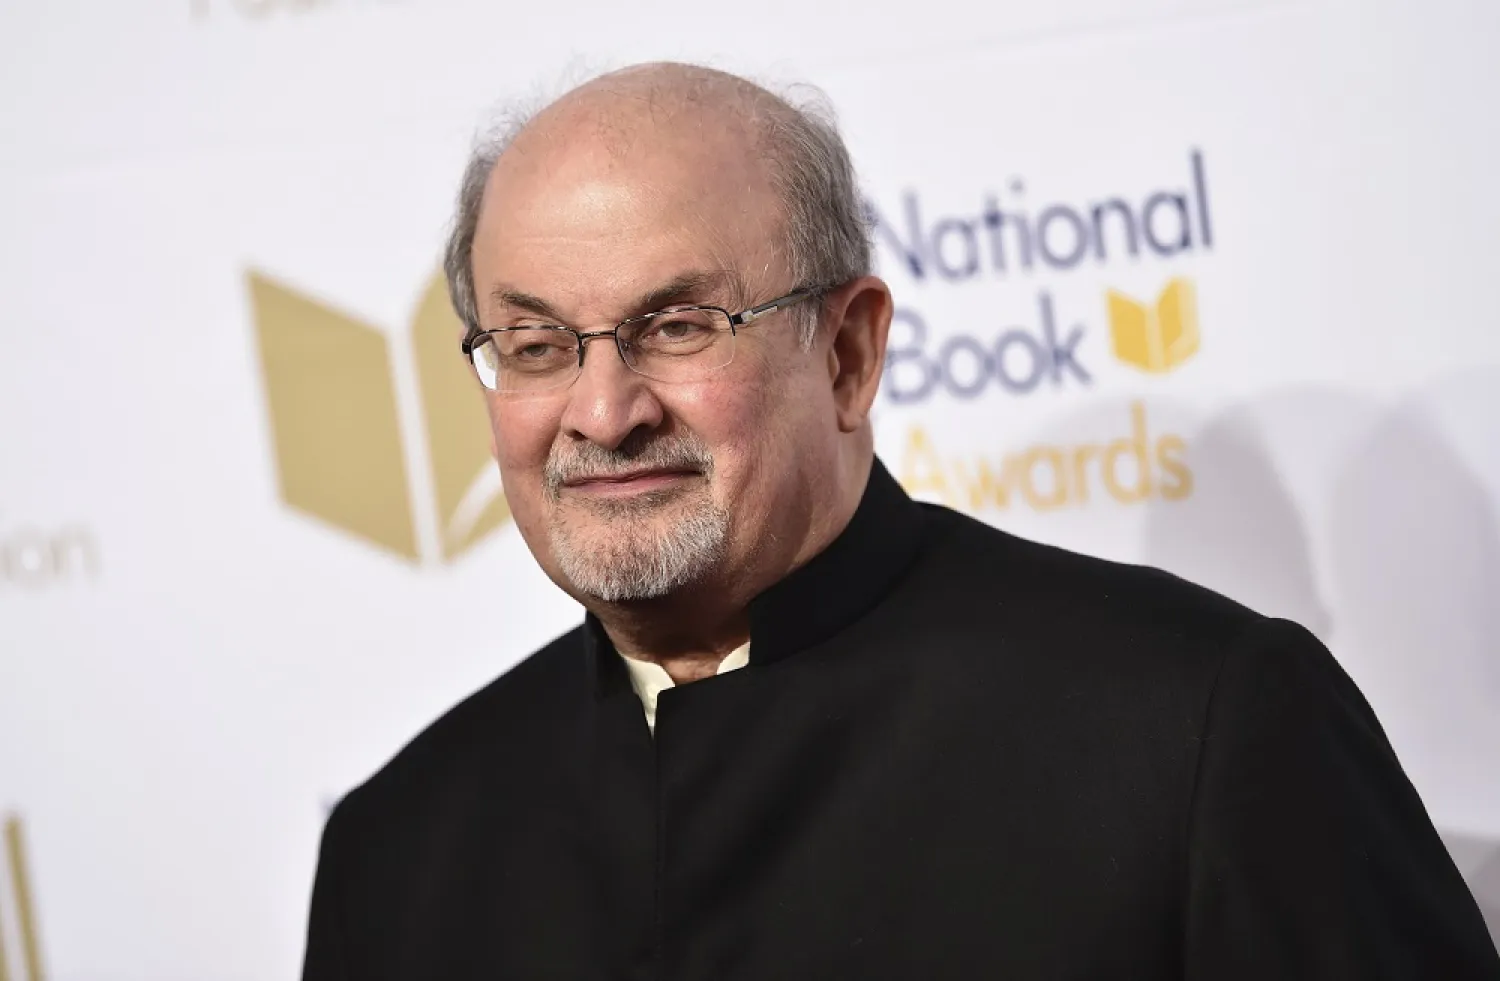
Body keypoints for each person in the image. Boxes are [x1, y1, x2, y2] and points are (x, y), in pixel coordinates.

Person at [300, 62, 1500, 979]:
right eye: (535, 344)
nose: (603, 412)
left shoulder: (1199, 727)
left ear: (848, 352)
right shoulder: (399, 848)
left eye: (677, 327)